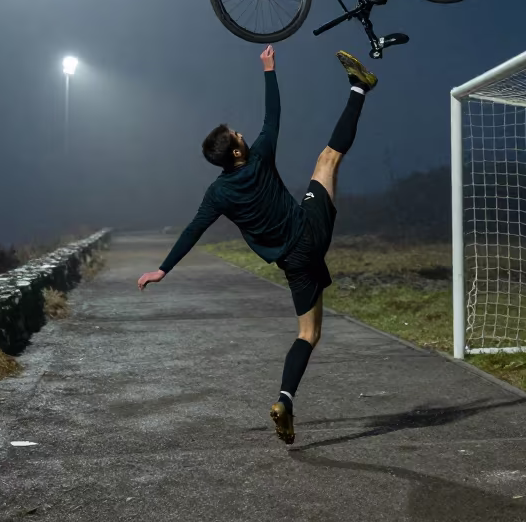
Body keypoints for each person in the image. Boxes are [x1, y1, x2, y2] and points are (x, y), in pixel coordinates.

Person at [136, 44, 377, 445]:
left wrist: (163, 269)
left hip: (294, 264)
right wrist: (269, 70)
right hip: (310, 232)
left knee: (307, 335)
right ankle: (359, 88)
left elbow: (193, 230)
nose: (243, 133)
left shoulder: (217, 194)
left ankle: (285, 399)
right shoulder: (261, 154)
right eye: (237, 135)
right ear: (236, 150)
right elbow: (274, 115)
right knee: (328, 158)